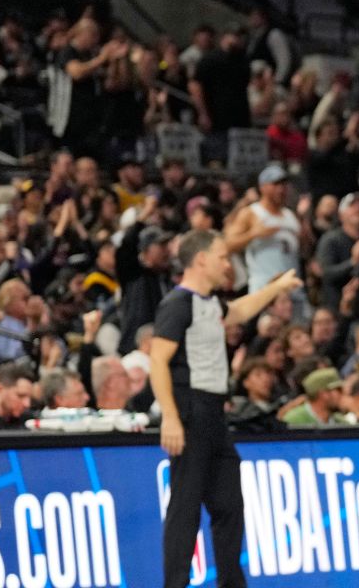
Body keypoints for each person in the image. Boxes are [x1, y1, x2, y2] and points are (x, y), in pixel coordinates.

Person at [150, 229, 302, 588]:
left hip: (215, 413)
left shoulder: (209, 303)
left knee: (230, 506)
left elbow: (237, 311)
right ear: (200, 259)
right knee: (185, 508)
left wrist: (276, 288)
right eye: (221, 256)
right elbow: (157, 362)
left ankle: (232, 583)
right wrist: (170, 418)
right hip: (191, 409)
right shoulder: (177, 304)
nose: (226, 263)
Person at [226, 165, 307, 321]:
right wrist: (253, 234)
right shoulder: (251, 213)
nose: (281, 189)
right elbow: (228, 244)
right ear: (262, 187)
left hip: (292, 291)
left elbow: (303, 251)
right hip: (264, 291)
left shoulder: (290, 214)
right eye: (276, 184)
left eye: (284, 185)